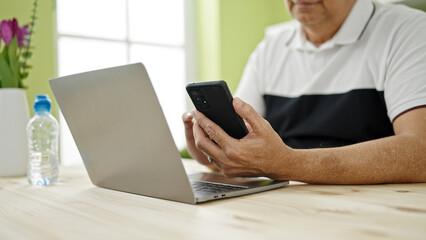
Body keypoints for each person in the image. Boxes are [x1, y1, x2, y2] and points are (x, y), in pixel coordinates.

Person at [182, 0, 426, 184]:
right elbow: (246, 148)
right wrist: (213, 150)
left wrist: (286, 164)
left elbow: (420, 150)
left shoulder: (408, 30)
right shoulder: (271, 46)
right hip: (285, 203)